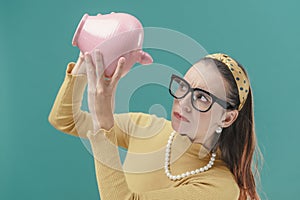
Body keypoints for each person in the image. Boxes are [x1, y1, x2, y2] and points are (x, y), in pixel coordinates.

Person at [48, 50, 262, 200]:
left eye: (202, 97)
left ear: (227, 118)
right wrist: (87, 61)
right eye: (183, 86)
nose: (183, 102)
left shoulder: (219, 187)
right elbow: (65, 118)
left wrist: (103, 122)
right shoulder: (147, 127)